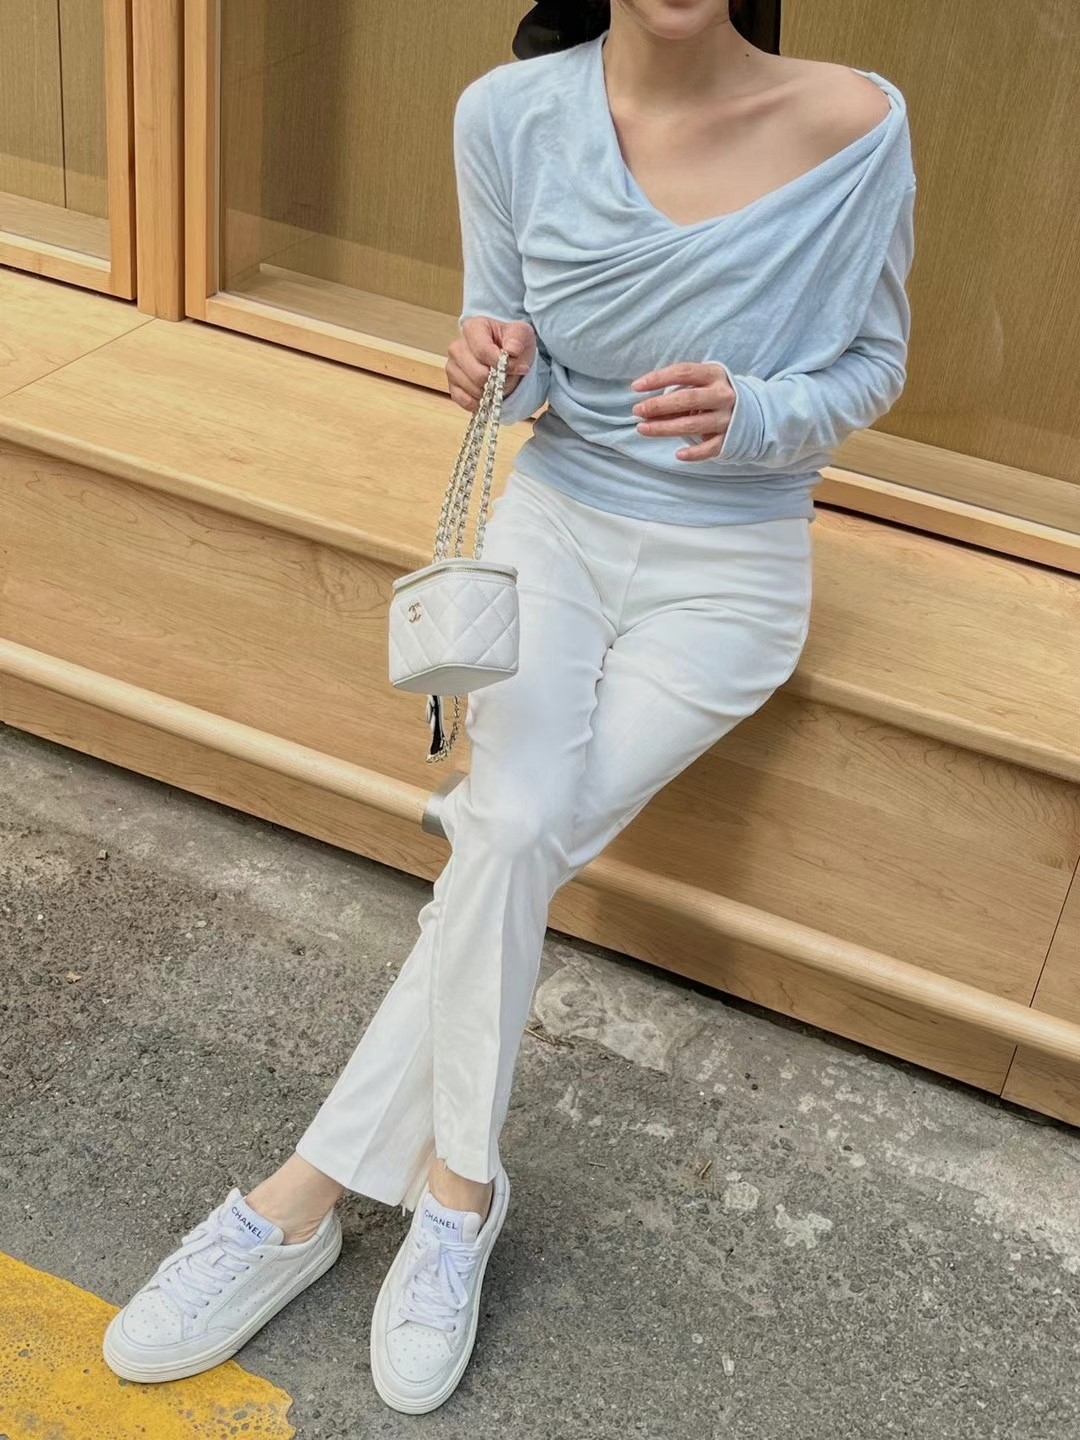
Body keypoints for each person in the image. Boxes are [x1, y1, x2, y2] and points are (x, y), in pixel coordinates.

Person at [102, 0, 916, 1415]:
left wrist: (757, 414)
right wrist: (487, 363)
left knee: (504, 837)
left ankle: (297, 1203)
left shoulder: (857, 124)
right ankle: (453, 1197)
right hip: (557, 520)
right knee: (516, 826)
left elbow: (875, 362)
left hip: (736, 571)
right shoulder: (510, 114)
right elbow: (509, 349)